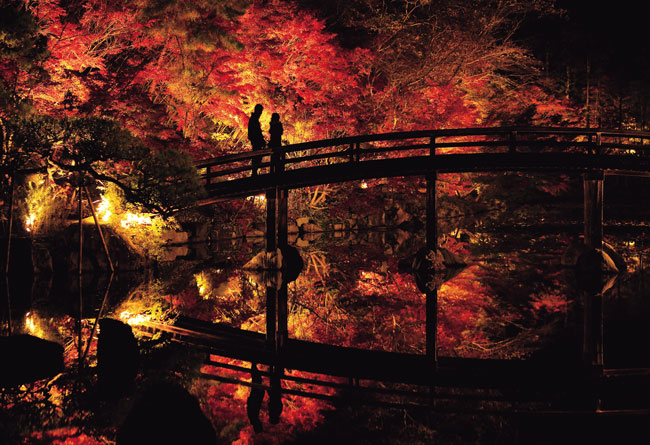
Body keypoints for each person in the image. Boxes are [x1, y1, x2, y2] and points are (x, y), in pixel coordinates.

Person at [247, 104, 265, 176]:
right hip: (256, 141)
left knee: (257, 157)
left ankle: (255, 172)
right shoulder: (254, 119)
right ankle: (254, 172)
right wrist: (260, 140)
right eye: (260, 111)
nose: (261, 113)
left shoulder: (253, 119)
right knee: (257, 157)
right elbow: (255, 132)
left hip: (255, 141)